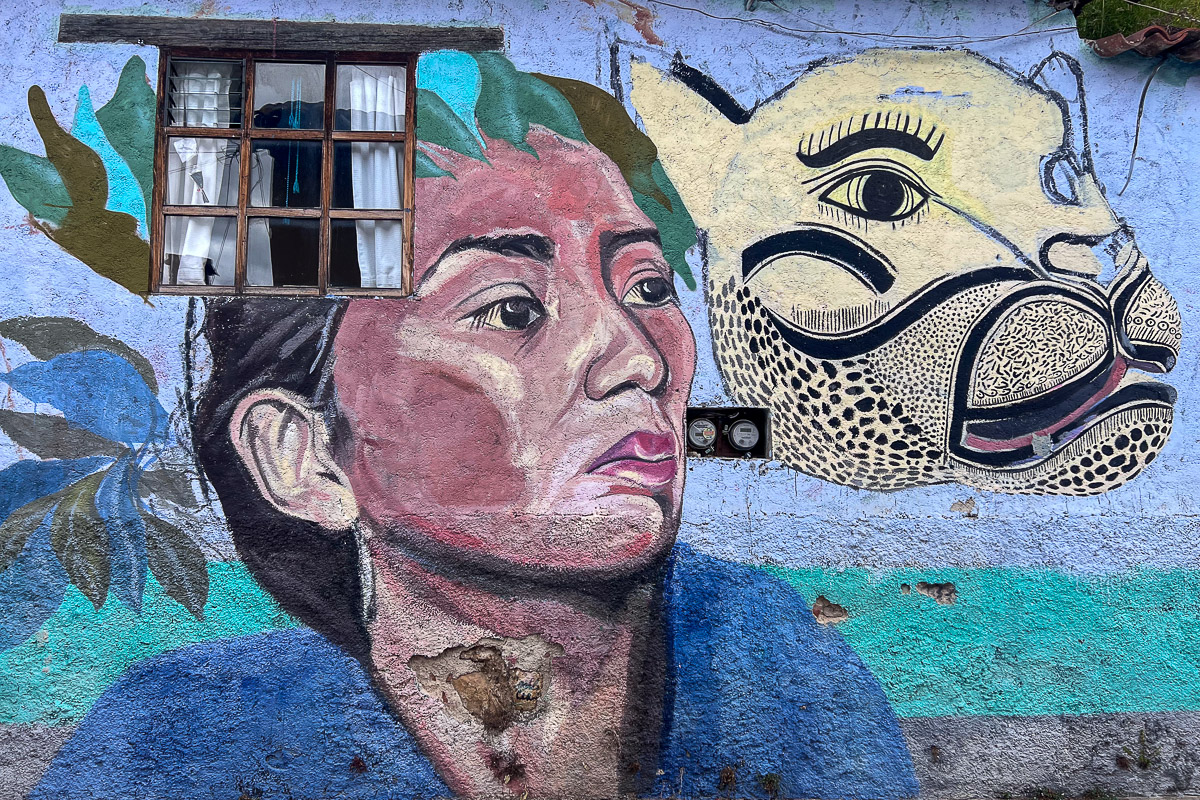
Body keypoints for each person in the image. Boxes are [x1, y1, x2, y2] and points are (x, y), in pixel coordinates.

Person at [33, 52, 917, 800]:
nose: (637, 358)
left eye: (647, 287)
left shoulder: (785, 670)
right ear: (303, 456)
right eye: (509, 310)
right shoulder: (181, 741)